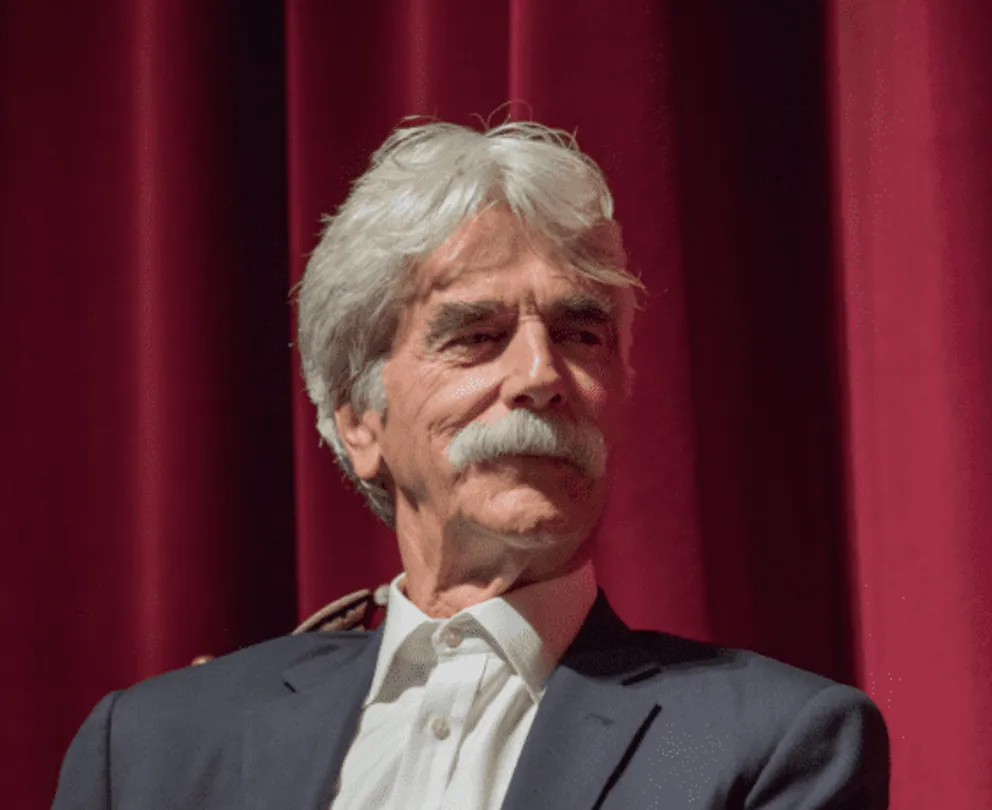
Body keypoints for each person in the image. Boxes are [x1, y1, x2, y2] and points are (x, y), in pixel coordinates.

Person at [52, 120, 890, 809]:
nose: (540, 376)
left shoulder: (763, 743)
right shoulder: (151, 748)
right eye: (477, 336)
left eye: (581, 333)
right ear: (358, 418)